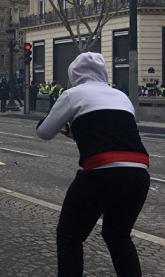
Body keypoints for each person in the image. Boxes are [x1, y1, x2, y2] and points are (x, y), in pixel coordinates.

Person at [36, 52, 150, 277]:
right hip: (138, 175)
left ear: (73, 74)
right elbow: (111, 132)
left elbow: (44, 132)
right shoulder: (121, 96)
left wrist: (63, 125)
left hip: (101, 174)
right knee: (118, 236)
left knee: (70, 236)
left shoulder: (72, 94)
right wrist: (79, 133)